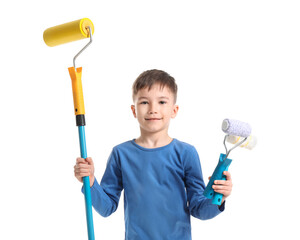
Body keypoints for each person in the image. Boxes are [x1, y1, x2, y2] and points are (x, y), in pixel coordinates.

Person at [74, 69, 233, 240]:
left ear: (174, 110)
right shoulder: (121, 154)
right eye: (144, 102)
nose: (153, 109)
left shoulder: (186, 153)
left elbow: (199, 209)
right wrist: (90, 182)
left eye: (162, 102)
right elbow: (106, 207)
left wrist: (219, 197)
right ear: (134, 110)